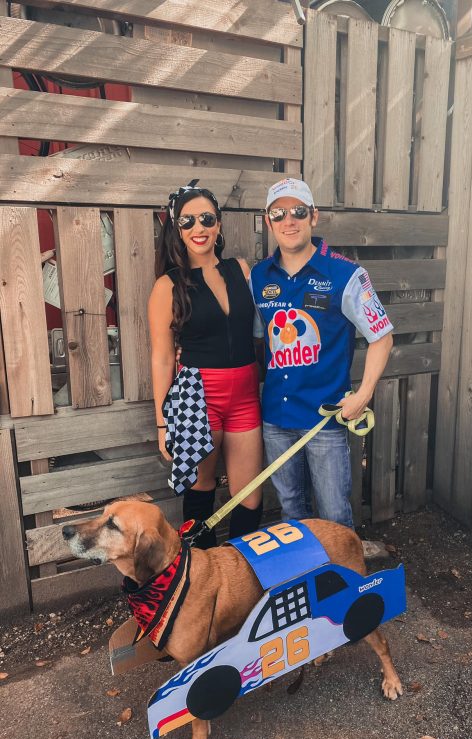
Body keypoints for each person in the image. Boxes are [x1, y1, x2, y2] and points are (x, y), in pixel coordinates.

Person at [250, 178, 393, 528]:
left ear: (314, 217)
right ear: (268, 222)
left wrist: (363, 394)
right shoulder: (258, 277)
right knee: (290, 511)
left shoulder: (346, 274)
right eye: (278, 213)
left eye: (298, 211)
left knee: (333, 514)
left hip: (324, 418)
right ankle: (306, 578)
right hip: (276, 417)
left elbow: (382, 337)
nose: (289, 220)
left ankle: (344, 578)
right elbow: (259, 343)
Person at [148, 181, 263, 547]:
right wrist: (163, 422)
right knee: (201, 489)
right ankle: (204, 577)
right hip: (199, 399)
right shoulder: (167, 286)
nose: (198, 228)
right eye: (187, 222)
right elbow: (163, 356)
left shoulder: (240, 269)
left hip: (246, 395)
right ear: (176, 230)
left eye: (206, 218)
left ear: (218, 224)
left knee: (252, 495)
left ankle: (243, 578)